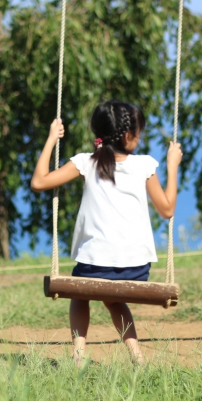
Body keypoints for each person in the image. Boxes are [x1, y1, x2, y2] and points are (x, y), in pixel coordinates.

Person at [30, 100, 182, 365]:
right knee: (112, 298)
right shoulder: (145, 165)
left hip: (93, 267)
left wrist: (52, 138)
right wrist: (172, 165)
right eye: (138, 131)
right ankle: (137, 357)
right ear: (127, 136)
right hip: (136, 269)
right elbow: (167, 210)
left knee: (81, 294)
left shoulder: (85, 163)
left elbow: (39, 182)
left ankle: (78, 357)